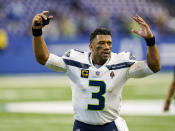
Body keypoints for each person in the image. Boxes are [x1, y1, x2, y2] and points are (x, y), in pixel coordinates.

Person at [32, 11, 161, 131]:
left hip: (110, 126)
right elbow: (43, 58)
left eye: (109, 43)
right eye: (102, 43)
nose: (106, 47)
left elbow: (154, 67)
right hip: (82, 126)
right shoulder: (76, 60)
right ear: (91, 47)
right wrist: (37, 32)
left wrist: (150, 40)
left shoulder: (121, 62)